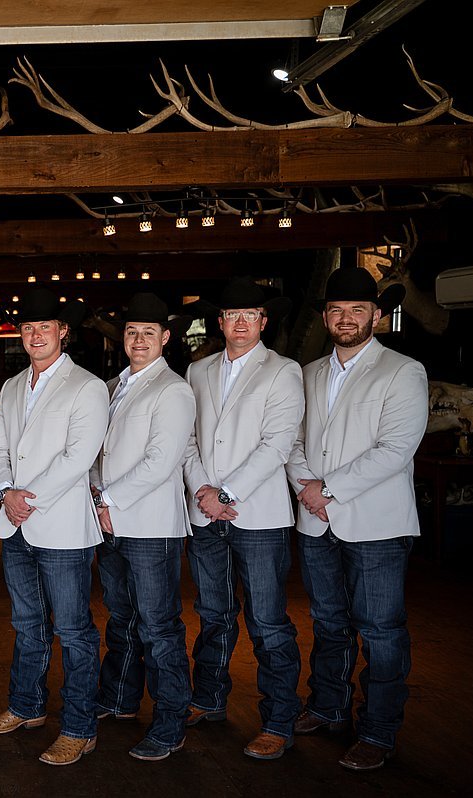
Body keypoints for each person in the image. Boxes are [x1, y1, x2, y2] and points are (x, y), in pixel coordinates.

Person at [287, 267, 427, 771]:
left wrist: (327, 489)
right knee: (328, 623)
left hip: (376, 526)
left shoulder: (402, 371)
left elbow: (396, 448)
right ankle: (328, 707)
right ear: (326, 317)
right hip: (317, 521)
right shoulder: (308, 373)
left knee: (382, 629)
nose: (347, 318)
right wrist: (307, 487)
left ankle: (378, 730)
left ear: (376, 316)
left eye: (358, 310)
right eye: (338, 310)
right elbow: (292, 440)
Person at [0, 289, 110, 766]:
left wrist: (25, 500)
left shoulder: (87, 386)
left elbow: (80, 457)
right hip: (14, 525)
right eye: (28, 329)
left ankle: (79, 728)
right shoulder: (14, 385)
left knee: (74, 630)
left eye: (45, 328)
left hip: (60, 528)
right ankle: (27, 707)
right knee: (26, 623)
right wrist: (4, 493)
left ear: (63, 333)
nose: (35, 336)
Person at [182, 277, 304, 760]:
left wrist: (227, 492)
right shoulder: (198, 371)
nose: (239, 322)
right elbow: (187, 440)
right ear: (220, 322)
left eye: (249, 315)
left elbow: (278, 443)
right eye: (232, 315)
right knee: (213, 614)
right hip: (207, 515)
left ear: (262, 322)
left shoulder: (284, 371)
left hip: (259, 515)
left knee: (268, 621)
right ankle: (208, 698)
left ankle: (278, 720)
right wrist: (203, 492)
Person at [92, 292, 195, 762]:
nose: (138, 340)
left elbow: (161, 462)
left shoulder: (172, 389)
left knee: (159, 625)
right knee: (121, 618)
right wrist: (99, 500)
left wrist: (108, 499)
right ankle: (119, 698)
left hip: (151, 527)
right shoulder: (116, 385)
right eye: (132, 332)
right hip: (112, 523)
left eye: (148, 333)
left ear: (166, 338)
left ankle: (170, 722)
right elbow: (101, 454)